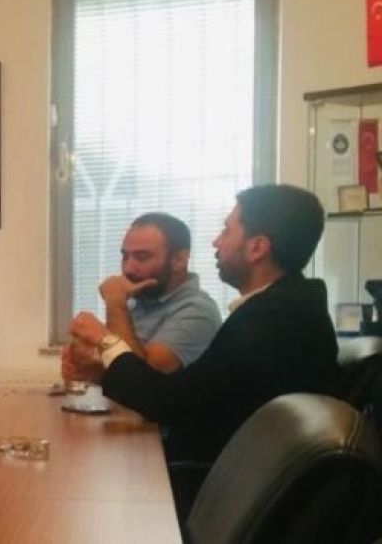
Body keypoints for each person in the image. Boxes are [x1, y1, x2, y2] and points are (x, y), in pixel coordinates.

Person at [63, 185, 338, 514]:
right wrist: (100, 370)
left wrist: (105, 339)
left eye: (227, 230)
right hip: (225, 482)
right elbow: (193, 393)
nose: (216, 242)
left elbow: (167, 401)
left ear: (257, 248)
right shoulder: (282, 309)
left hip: (212, 488)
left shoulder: (273, 321)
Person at [69, 213, 221, 373]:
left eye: (141, 257)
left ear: (179, 260)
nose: (128, 268)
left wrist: (115, 305)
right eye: (125, 257)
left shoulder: (198, 311)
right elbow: (116, 366)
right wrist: (88, 367)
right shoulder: (140, 299)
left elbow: (139, 378)